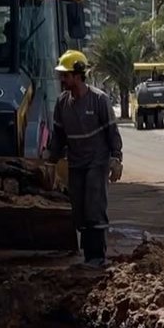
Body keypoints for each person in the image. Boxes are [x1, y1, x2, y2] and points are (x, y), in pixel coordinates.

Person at [45, 50, 123, 268]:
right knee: (78, 209)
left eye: (66, 75)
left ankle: (97, 257)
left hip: (97, 161)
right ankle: (88, 256)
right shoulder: (62, 103)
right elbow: (58, 136)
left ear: (78, 75)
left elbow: (112, 132)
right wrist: (51, 162)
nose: (62, 80)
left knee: (94, 206)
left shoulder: (99, 100)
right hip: (76, 162)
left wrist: (116, 158)